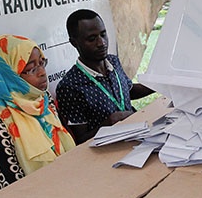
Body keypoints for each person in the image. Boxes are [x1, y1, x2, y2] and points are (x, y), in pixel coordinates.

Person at [0, 35, 75, 190]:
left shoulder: (43, 100)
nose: (42, 72)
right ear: (8, 75)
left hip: (73, 181)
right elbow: (10, 192)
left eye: (42, 63)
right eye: (31, 69)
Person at [56, 9, 154, 144]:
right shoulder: (69, 86)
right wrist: (109, 123)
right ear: (74, 42)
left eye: (103, 34)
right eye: (92, 39)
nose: (101, 43)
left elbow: (128, 91)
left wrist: (161, 83)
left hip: (137, 136)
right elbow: (80, 141)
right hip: (107, 151)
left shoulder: (113, 61)